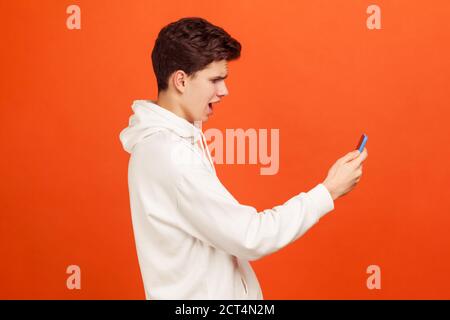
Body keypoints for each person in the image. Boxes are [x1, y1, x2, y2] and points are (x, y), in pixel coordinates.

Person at [119, 17, 368, 300]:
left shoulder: (174, 142)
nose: (224, 91)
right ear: (181, 80)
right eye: (215, 80)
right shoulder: (169, 156)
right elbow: (250, 236)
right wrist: (328, 191)